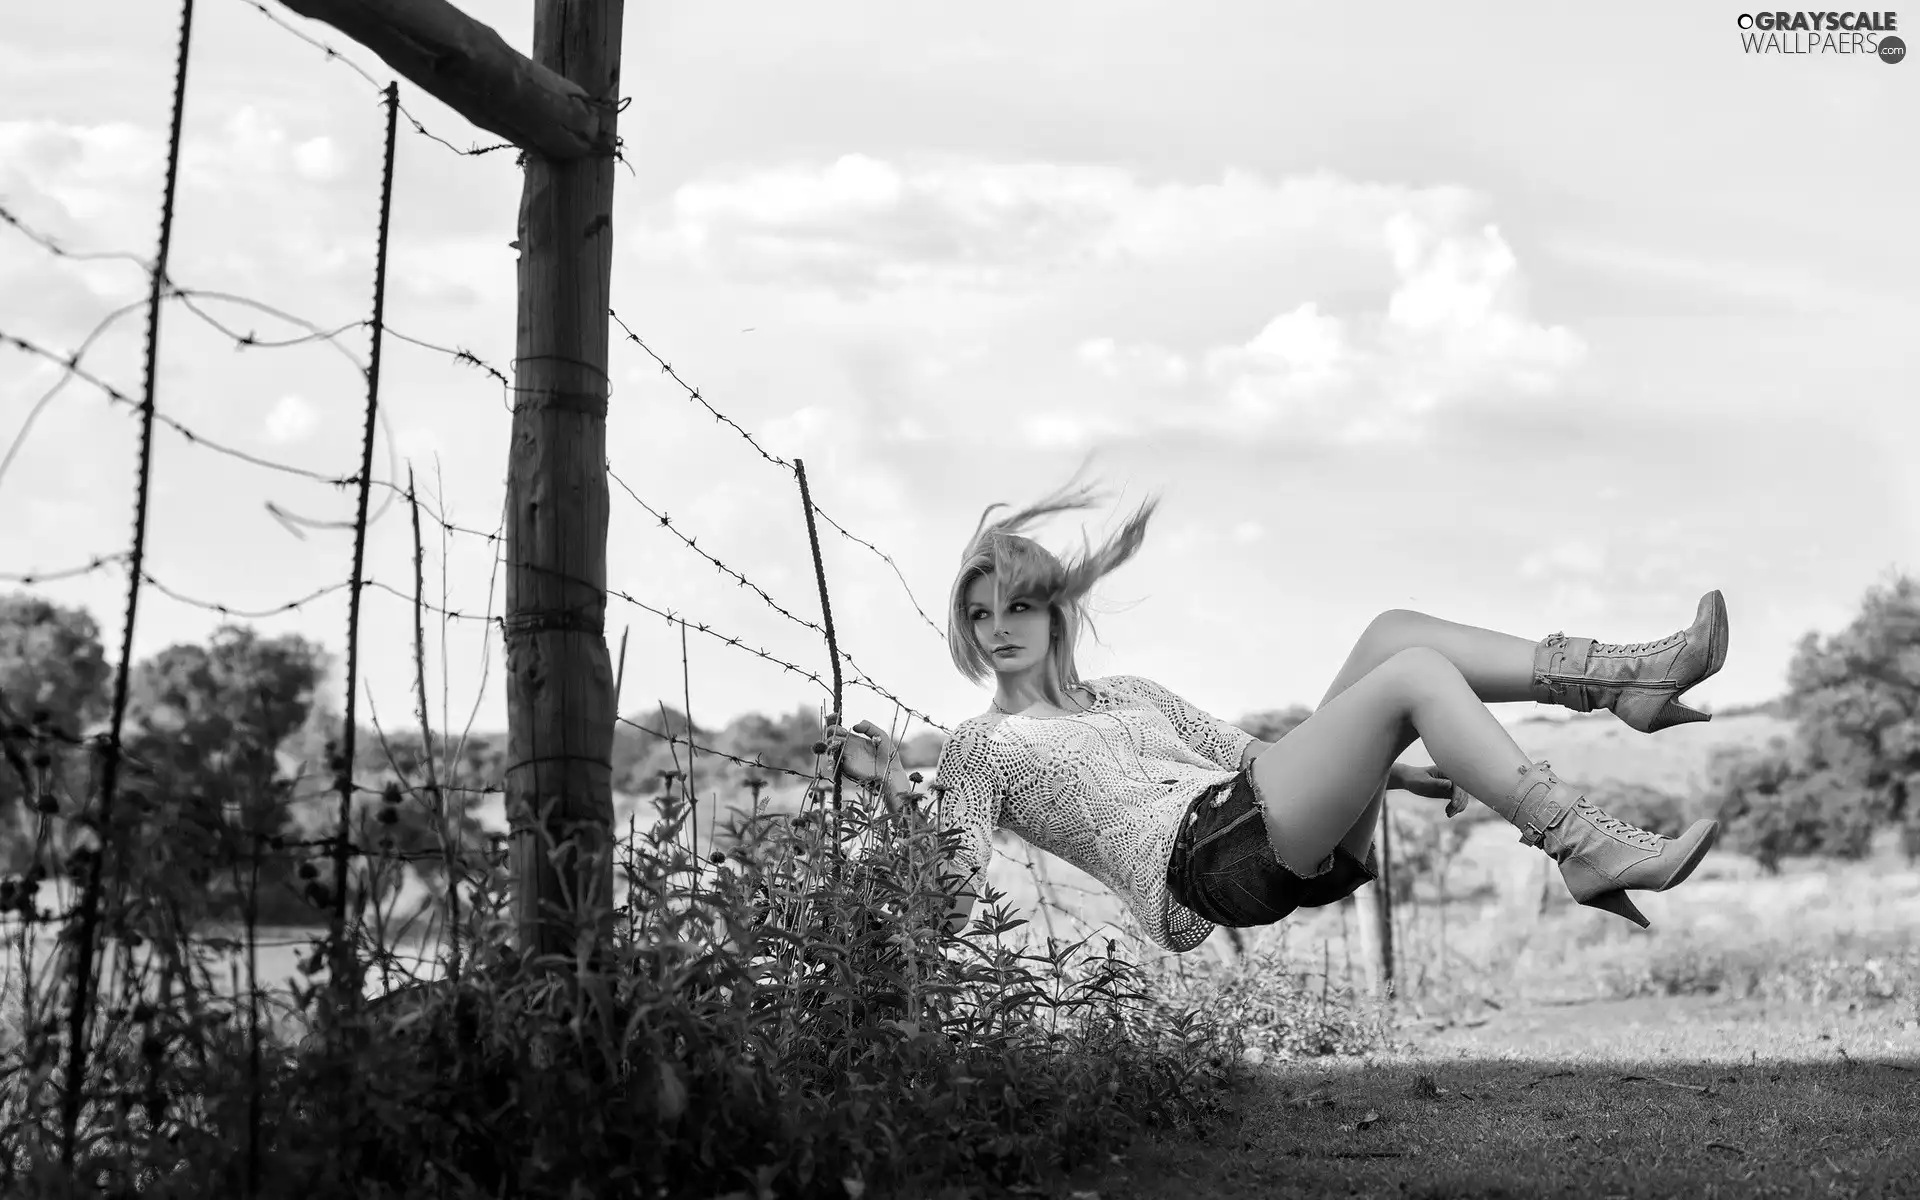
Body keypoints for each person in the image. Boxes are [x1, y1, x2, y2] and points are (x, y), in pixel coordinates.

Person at [827, 475, 1727, 954]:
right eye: (980, 615)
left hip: (1259, 821)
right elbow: (946, 894)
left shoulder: (1128, 693)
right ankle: (1582, 843)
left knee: (1392, 633)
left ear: (1054, 611)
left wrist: (1392, 765)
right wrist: (892, 796)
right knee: (1411, 670)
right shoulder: (980, 747)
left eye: (1017, 607)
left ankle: (1622, 679)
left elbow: (1250, 750)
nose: (998, 630)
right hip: (1203, 861)